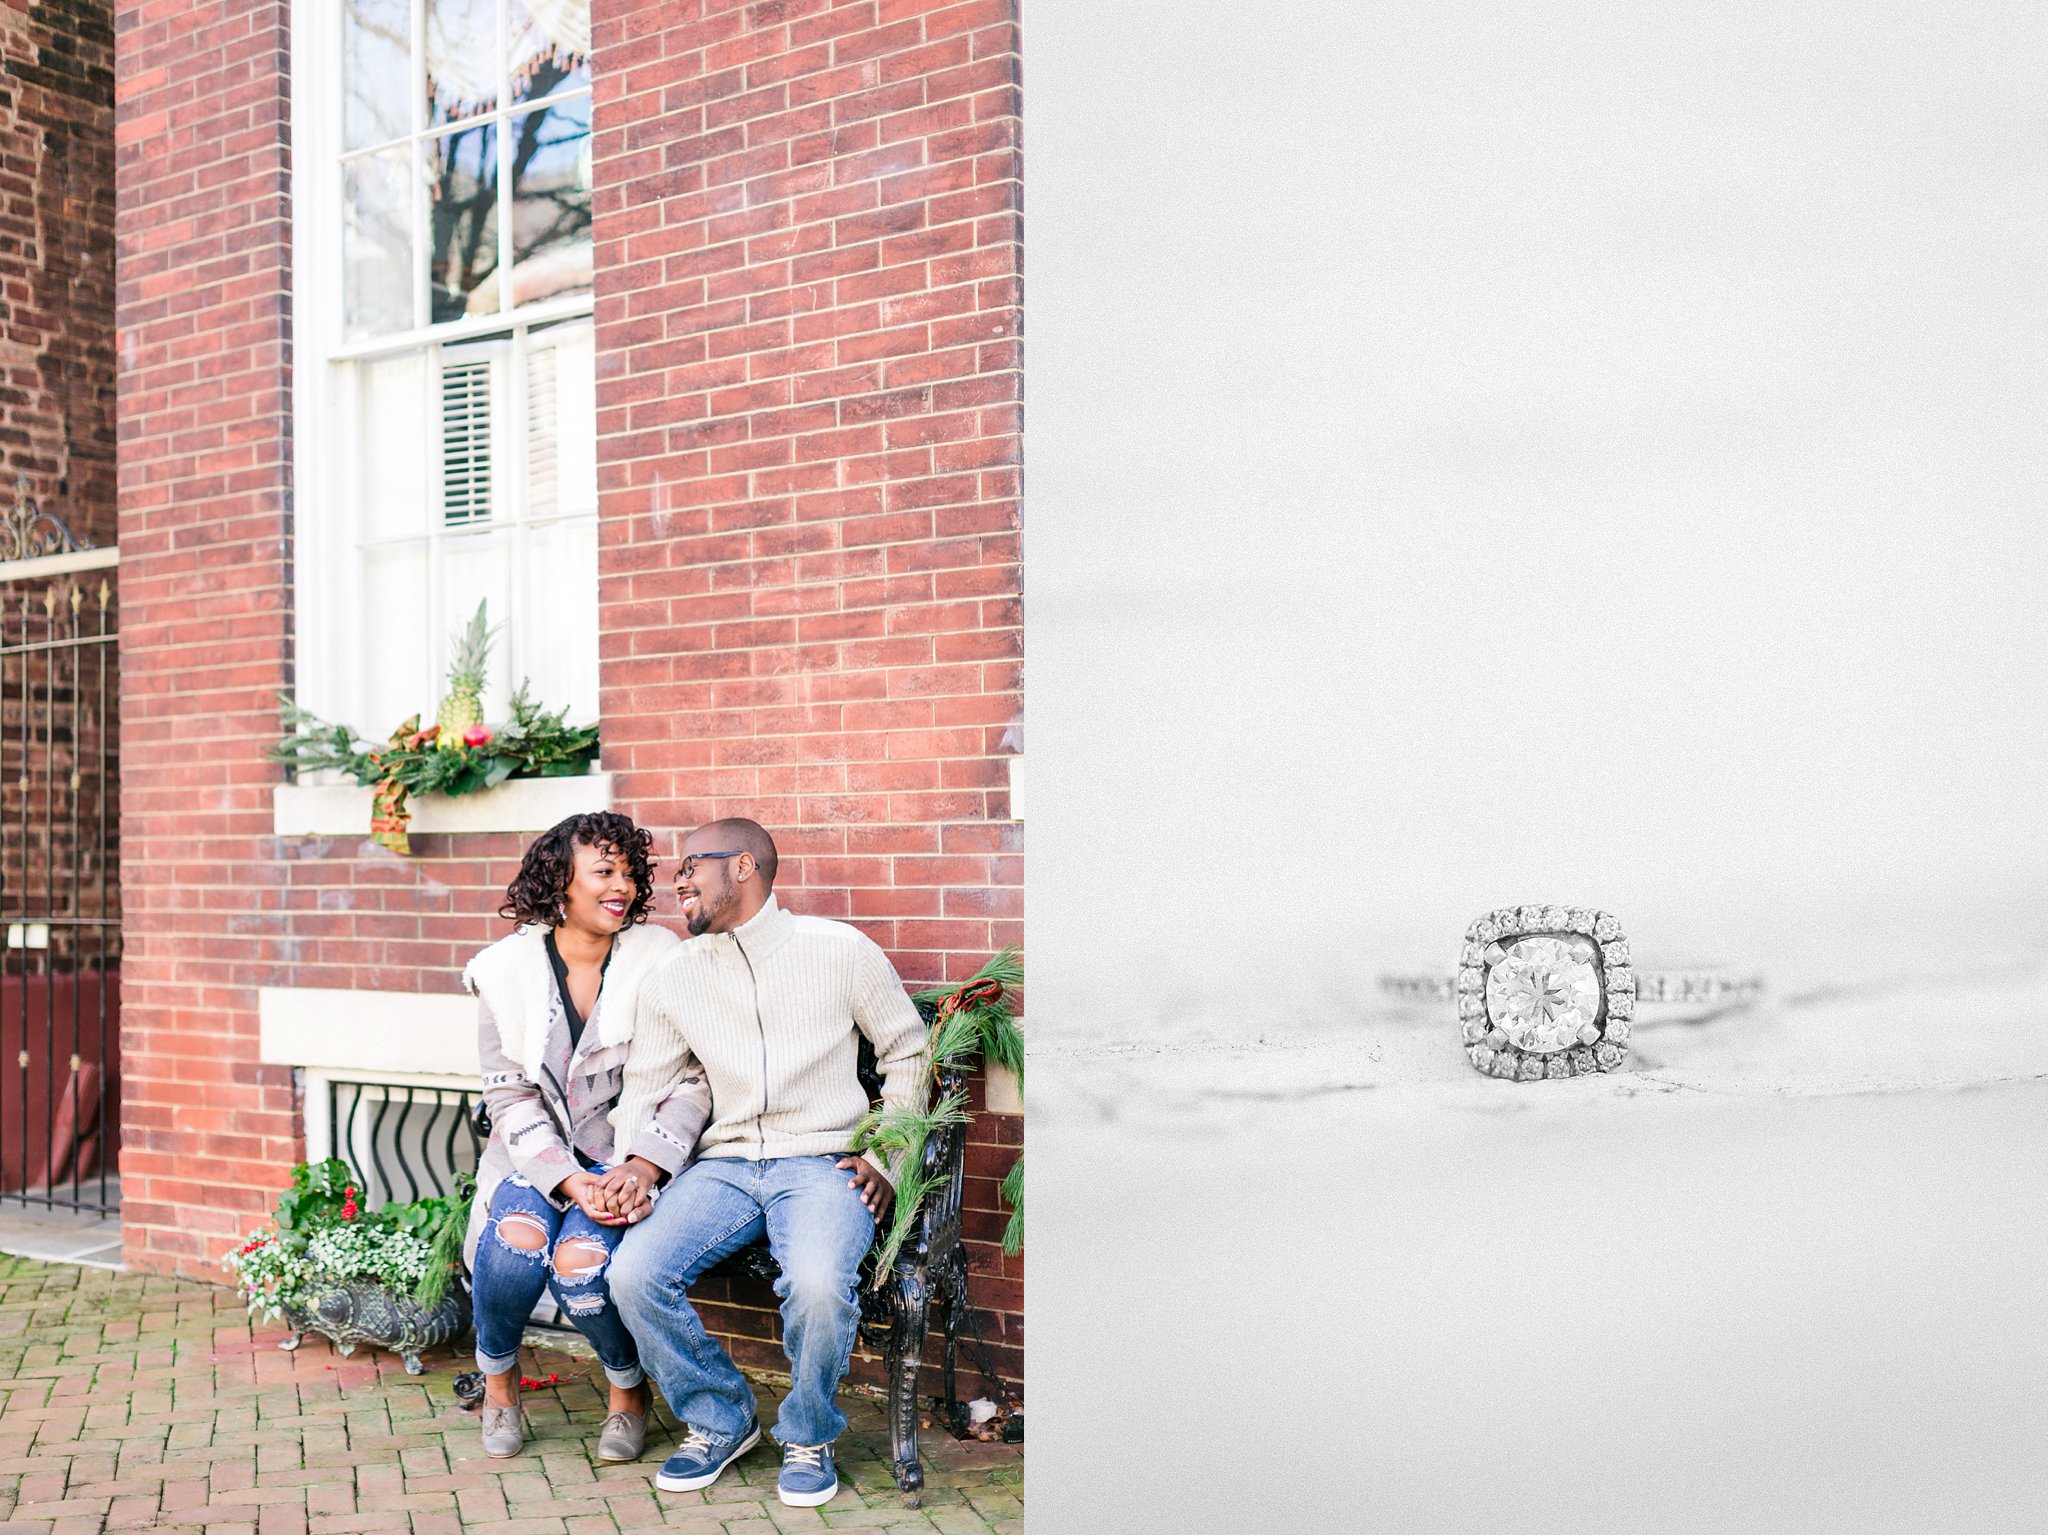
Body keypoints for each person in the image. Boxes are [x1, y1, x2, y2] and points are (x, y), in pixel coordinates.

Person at [607, 817, 929, 1509]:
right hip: (721, 1166)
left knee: (816, 1283)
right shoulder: (674, 975)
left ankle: (810, 1433)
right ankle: (722, 1416)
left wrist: (888, 1154)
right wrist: (635, 1165)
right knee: (631, 1273)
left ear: (745, 866)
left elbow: (908, 1052)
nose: (679, 880)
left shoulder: (840, 951)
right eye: (678, 869)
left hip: (822, 1161)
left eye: (693, 864)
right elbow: (646, 1084)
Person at [461, 811, 711, 1462]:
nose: (621, 886)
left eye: (630, 872)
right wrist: (566, 1177)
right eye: (603, 871)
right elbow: (509, 1093)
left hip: (629, 1158)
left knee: (581, 1266)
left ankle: (628, 1391)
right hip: (536, 1156)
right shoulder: (505, 971)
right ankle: (500, 1383)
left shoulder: (661, 960)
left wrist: (642, 1166)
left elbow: (693, 1079)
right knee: (514, 1242)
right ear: (560, 882)